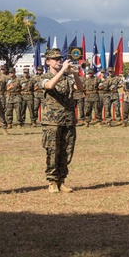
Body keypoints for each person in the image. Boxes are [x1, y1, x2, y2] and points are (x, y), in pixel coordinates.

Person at [37, 48, 84, 193]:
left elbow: (80, 88)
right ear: (48, 62)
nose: (58, 61)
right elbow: (49, 86)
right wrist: (63, 70)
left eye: (60, 59)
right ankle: (52, 181)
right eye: (55, 59)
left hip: (68, 119)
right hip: (52, 121)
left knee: (67, 151)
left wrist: (75, 74)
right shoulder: (43, 76)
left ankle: (62, 180)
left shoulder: (67, 78)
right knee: (53, 151)